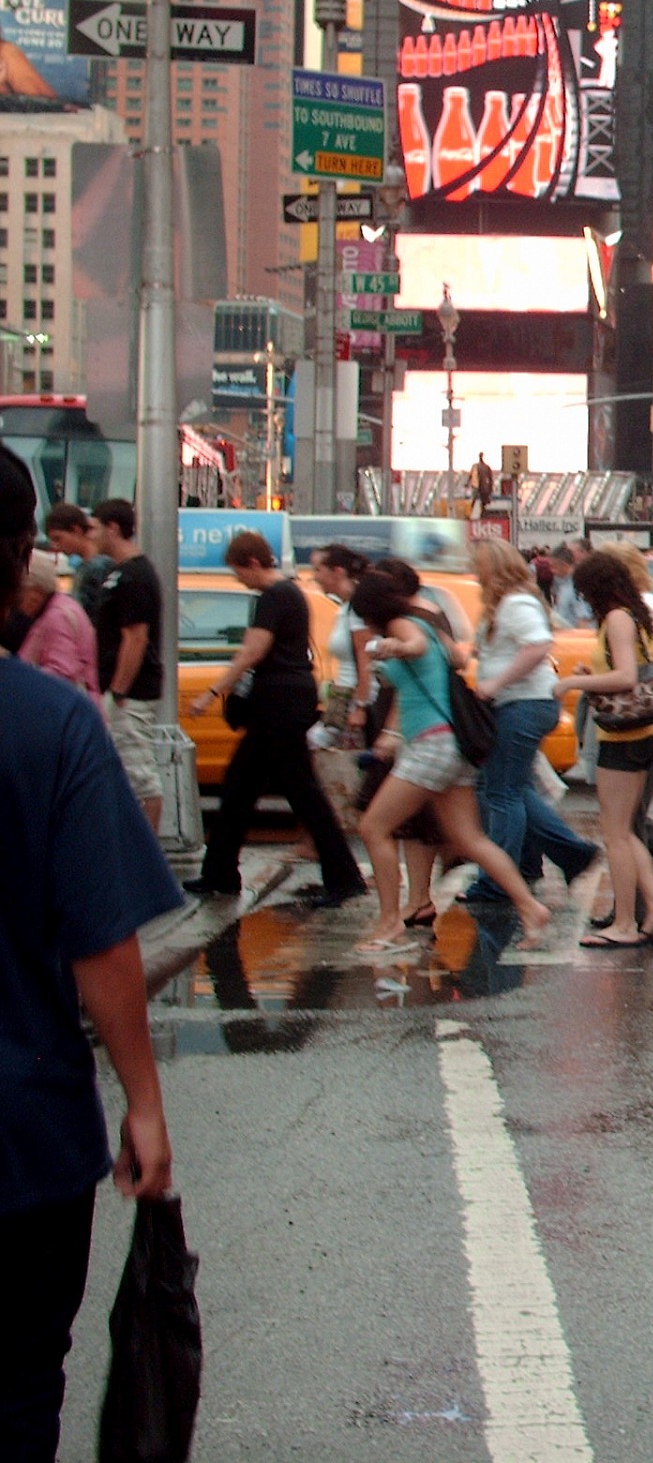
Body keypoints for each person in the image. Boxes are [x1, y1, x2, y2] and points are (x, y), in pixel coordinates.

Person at [0, 449, 182, 1463]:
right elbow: (102, 944)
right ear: (23, 557)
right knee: (23, 1390)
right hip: (26, 1137)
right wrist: (143, 1104)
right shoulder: (53, 724)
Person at [351, 561, 553, 954]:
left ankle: (390, 922)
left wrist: (396, 647)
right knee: (469, 838)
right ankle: (530, 907)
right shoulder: (427, 618)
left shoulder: (402, 625)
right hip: (450, 744)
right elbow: (454, 660)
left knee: (374, 828)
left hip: (431, 744)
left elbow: (416, 647)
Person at [189, 531, 367, 903]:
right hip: (282, 702)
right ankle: (219, 871)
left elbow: (253, 651)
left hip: (277, 705)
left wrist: (211, 692)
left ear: (252, 563)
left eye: (239, 572)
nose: (239, 580)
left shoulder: (274, 596)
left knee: (300, 792)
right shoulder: (285, 593)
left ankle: (343, 877)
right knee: (241, 786)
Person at [556, 549, 653, 948]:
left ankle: (625, 922)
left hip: (624, 737)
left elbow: (626, 677)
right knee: (626, 830)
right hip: (637, 734)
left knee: (617, 834)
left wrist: (574, 684)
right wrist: (592, 675)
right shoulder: (633, 615)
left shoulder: (617, 619)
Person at [463, 537, 598, 896]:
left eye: (478, 568)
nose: (474, 574)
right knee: (514, 788)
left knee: (501, 792)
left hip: (523, 703)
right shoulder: (505, 606)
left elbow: (538, 646)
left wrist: (495, 682)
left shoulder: (515, 604)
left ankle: (497, 879)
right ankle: (570, 853)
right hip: (521, 703)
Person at [90, 499, 165, 829]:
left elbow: (136, 638)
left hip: (129, 693)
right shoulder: (120, 573)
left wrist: (119, 690)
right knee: (126, 773)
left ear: (113, 528)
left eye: (94, 527)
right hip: (119, 690)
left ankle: (147, 861)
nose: (90, 534)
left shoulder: (135, 576)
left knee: (139, 777)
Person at [12, 549, 99, 702]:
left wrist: (20, 677)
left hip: (69, 712)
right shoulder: (59, 607)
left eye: (19, 594)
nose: (16, 604)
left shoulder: (57, 617)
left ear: (35, 592)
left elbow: (62, 671)